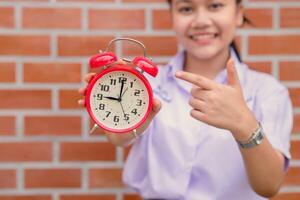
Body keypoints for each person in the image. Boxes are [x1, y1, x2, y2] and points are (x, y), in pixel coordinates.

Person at [78, 0, 293, 199]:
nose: (200, 21)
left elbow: (269, 186)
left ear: (238, 14)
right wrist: (114, 107)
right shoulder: (146, 83)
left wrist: (245, 126)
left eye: (215, 6)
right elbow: (118, 138)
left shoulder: (267, 91)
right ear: (172, 16)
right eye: (186, 9)